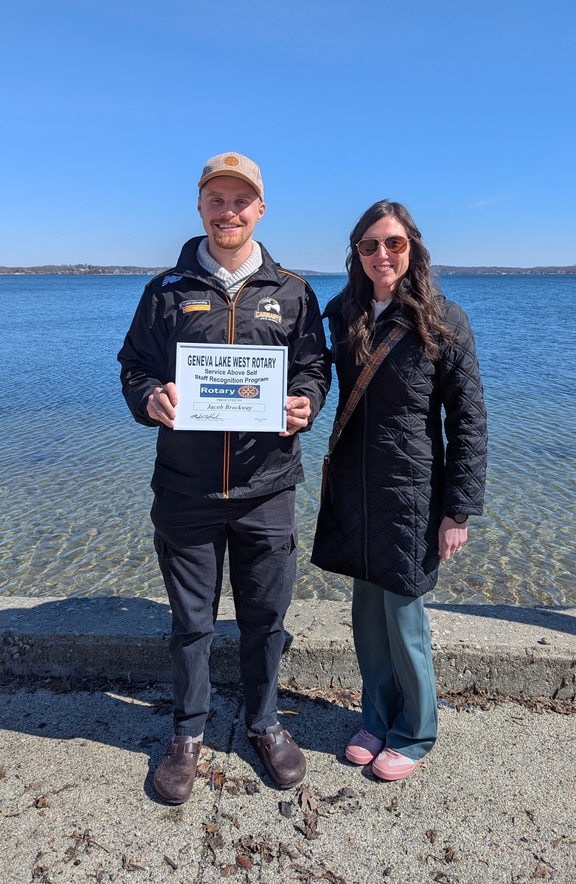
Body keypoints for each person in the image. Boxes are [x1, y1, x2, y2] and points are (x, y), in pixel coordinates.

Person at [118, 152, 330, 802]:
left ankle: (265, 723)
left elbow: (314, 367)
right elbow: (134, 366)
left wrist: (306, 401)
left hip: (268, 488)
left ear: (260, 209)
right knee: (192, 623)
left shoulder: (292, 291)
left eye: (241, 201)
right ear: (200, 206)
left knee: (266, 619)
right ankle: (188, 732)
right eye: (217, 199)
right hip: (186, 490)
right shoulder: (165, 290)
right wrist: (149, 397)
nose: (228, 212)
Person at [312, 200, 487, 781]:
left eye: (394, 243)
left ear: (413, 247)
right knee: (366, 615)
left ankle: (415, 730)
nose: (382, 255)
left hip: (413, 489)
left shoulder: (444, 318)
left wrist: (458, 510)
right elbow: (312, 373)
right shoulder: (344, 312)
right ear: (356, 254)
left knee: (404, 615)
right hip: (355, 485)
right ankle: (376, 717)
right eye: (369, 245)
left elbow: (468, 420)